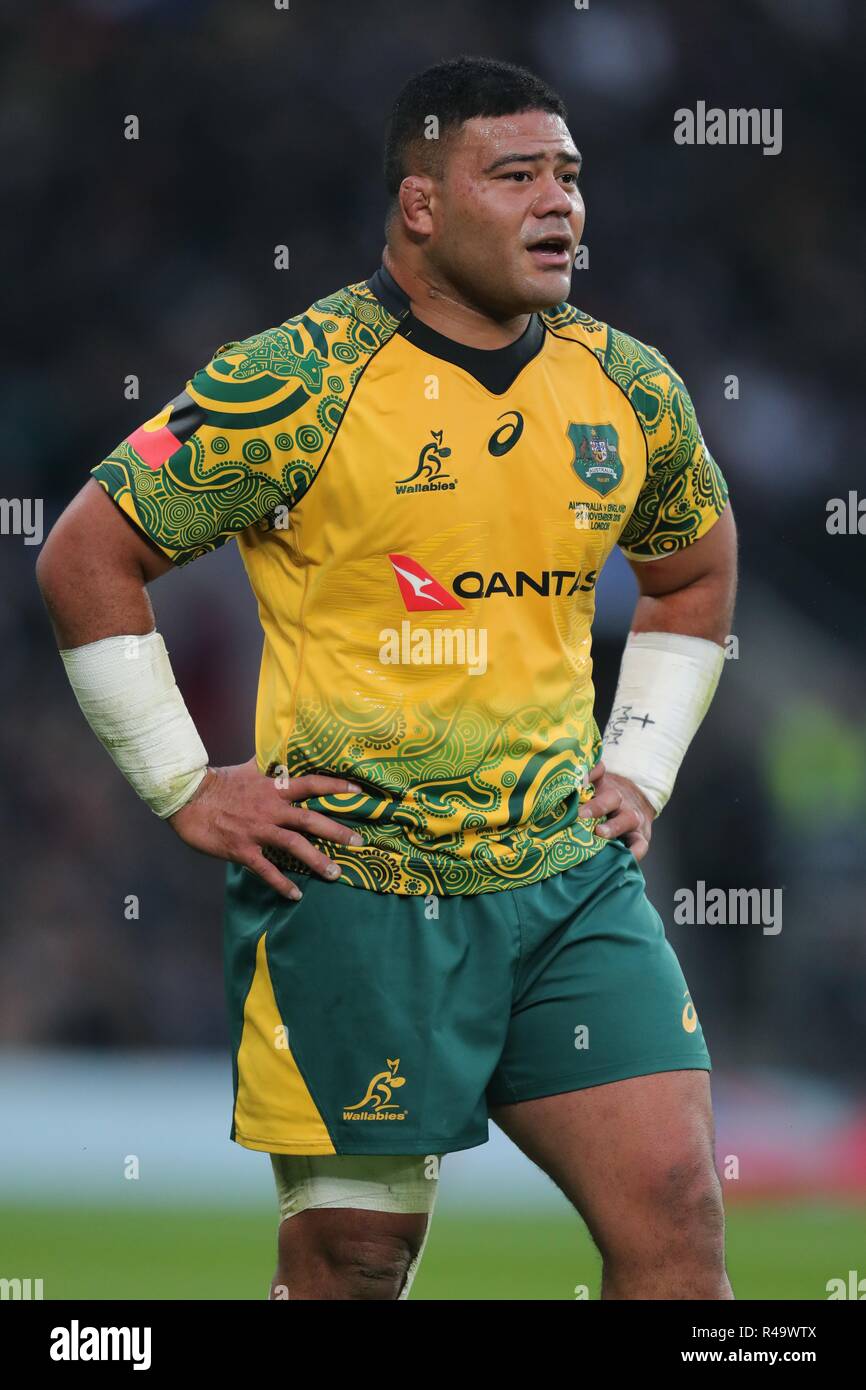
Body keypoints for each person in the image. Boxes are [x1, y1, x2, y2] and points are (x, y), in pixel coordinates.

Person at [37, 55, 737, 1300]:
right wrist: (183, 785)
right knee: (354, 1262)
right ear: (422, 204)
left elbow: (691, 577)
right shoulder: (292, 381)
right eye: (514, 175)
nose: (557, 204)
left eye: (568, 176)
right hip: (356, 895)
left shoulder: (627, 386)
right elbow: (88, 554)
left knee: (679, 1218)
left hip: (564, 883)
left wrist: (638, 758)